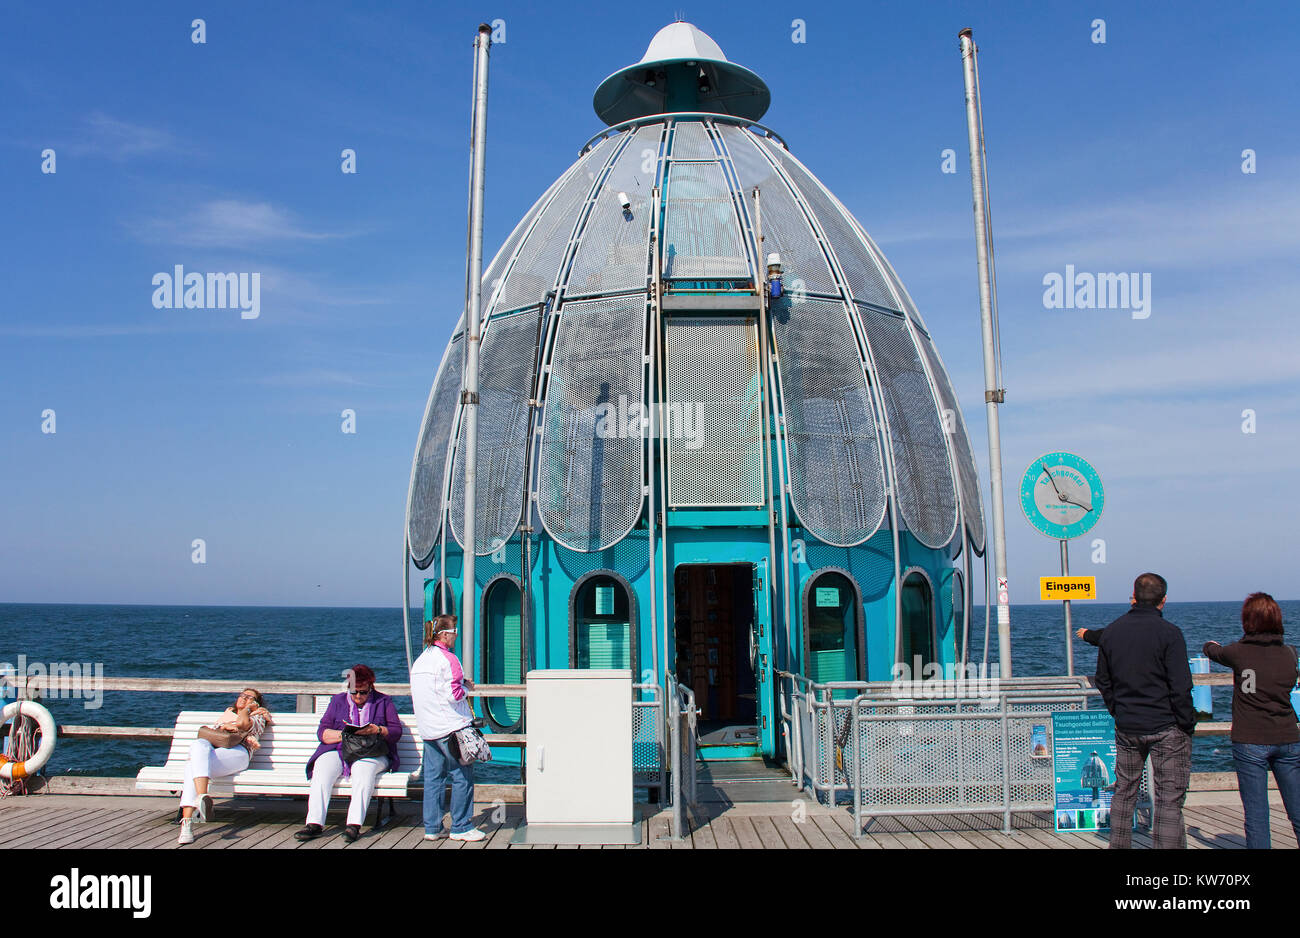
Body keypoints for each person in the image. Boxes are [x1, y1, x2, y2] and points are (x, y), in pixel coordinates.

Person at [1093, 572, 1195, 849]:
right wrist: (1186, 723)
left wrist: (1118, 710)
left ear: (1134, 597)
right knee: (1169, 799)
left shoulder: (1112, 631)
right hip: (1166, 727)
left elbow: (1103, 679)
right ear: (1163, 601)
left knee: (1124, 792)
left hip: (1127, 725)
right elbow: (1181, 686)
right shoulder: (1170, 634)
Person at [1203, 592, 1300, 848]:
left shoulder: (1238, 652)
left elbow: (1214, 651)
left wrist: (1209, 644)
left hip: (1250, 740)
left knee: (1257, 815)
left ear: (1248, 621)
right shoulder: (1291, 654)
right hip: (1288, 737)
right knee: (1298, 811)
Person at [296, 664, 403, 843]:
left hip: (372, 751)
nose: (358, 697)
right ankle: (314, 823)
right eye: (354, 692)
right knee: (322, 768)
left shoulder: (383, 701)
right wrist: (345, 734)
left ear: (371, 688)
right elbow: (322, 732)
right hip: (340, 748)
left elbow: (395, 732)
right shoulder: (338, 701)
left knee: (363, 769)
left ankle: (354, 824)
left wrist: (376, 729)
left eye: (363, 692)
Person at [410, 614, 484, 842]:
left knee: (434, 778)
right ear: (444, 634)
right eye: (454, 631)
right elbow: (454, 694)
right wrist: (467, 688)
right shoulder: (448, 659)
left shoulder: (421, 661)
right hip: (450, 729)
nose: (456, 635)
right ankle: (461, 826)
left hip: (429, 728)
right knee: (462, 776)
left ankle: (432, 827)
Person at [177, 688, 272, 845]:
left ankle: (187, 824)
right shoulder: (227, 713)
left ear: (256, 703)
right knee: (198, 745)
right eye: (242, 695)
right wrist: (224, 726)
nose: (244, 698)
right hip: (216, 753)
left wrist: (248, 709)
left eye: (249, 697)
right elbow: (213, 736)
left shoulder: (259, 716)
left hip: (239, 753)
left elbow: (242, 724)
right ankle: (201, 798)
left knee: (192, 765)